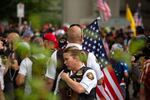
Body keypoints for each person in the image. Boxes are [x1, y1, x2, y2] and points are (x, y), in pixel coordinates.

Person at [45, 24, 104, 92]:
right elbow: (100, 80)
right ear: (82, 38)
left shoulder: (55, 54)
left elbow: (49, 81)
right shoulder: (89, 56)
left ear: (67, 38)